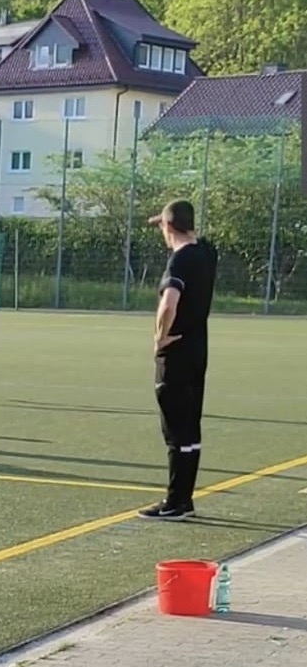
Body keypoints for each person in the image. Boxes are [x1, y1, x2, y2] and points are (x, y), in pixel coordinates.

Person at [138, 199, 217, 521]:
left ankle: (175, 502)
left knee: (175, 431)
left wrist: (160, 337)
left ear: (169, 226)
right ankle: (185, 498)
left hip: (176, 352)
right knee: (190, 428)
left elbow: (169, 303)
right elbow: (198, 240)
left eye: (162, 225)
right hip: (198, 350)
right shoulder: (206, 253)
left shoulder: (180, 260)